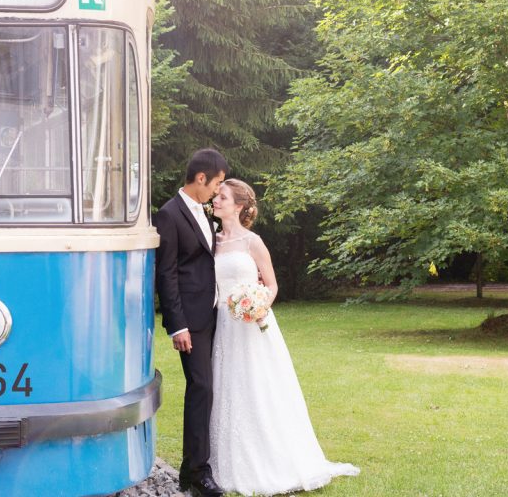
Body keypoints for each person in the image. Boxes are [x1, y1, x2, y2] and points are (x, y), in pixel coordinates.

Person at [208, 179, 360, 495]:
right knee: (226, 386)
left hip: (251, 324)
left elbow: (272, 285)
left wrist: (258, 306)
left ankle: (273, 459)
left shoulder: (253, 242)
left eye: (222, 197)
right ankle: (226, 459)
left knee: (258, 386)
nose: (215, 200)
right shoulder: (212, 241)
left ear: (238, 205)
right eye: (216, 196)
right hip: (222, 323)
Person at [154, 148, 229, 497]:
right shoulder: (169, 215)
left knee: (209, 388)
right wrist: (177, 325)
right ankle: (198, 472)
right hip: (191, 321)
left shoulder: (202, 210)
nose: (217, 190)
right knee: (201, 388)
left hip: (213, 314)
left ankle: (190, 470)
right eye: (216, 183)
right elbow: (166, 273)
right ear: (201, 178)